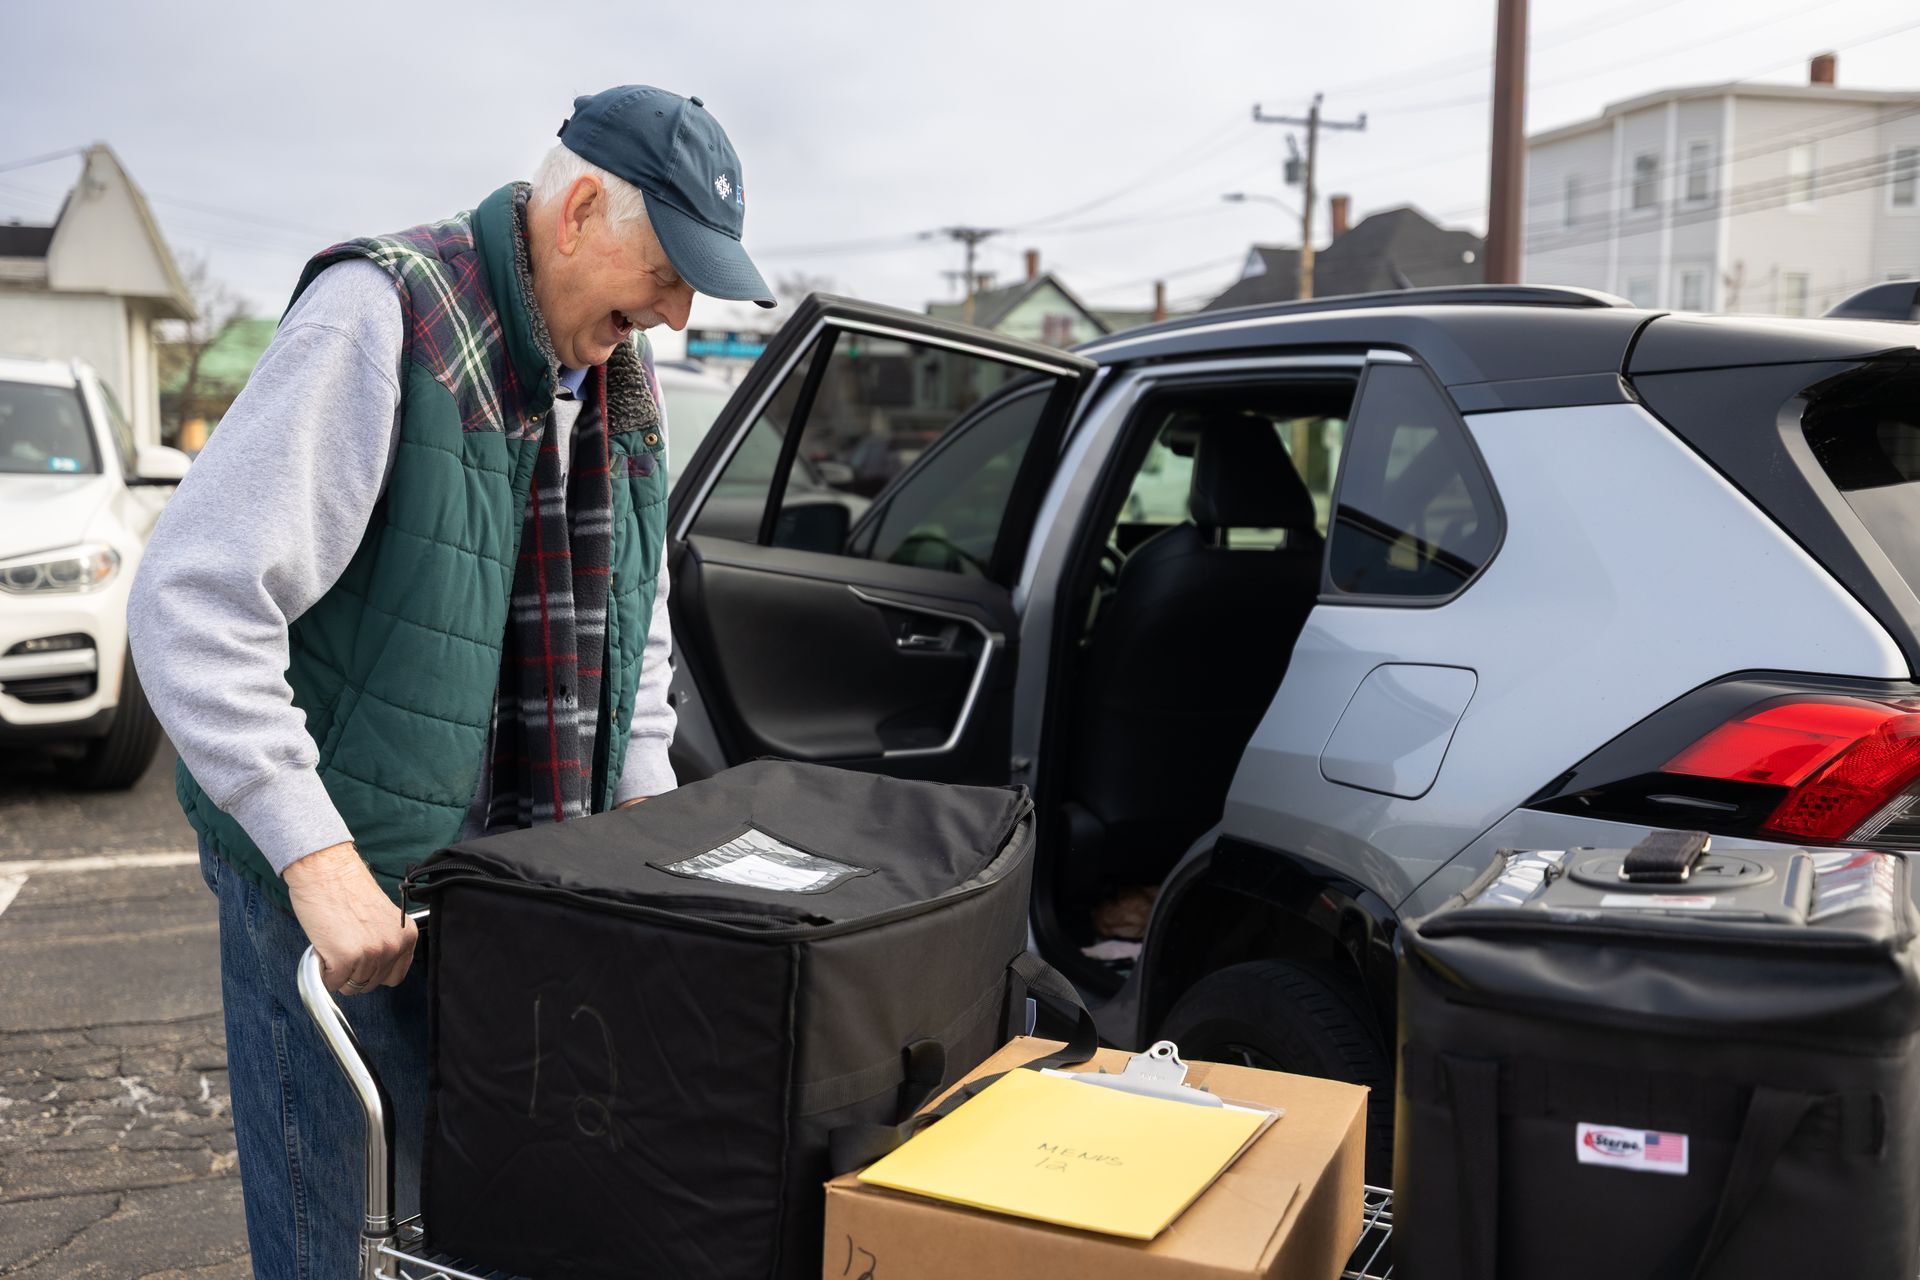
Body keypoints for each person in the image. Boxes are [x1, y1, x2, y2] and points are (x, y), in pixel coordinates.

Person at [128, 86, 774, 1278]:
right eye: (672, 269)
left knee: (466, 1232)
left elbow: (638, 625)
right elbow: (193, 600)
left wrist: (638, 805)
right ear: (580, 208)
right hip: (346, 885)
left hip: (498, 899)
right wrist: (315, 862)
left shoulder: (619, 387)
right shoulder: (382, 319)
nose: (680, 314)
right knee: (343, 1241)